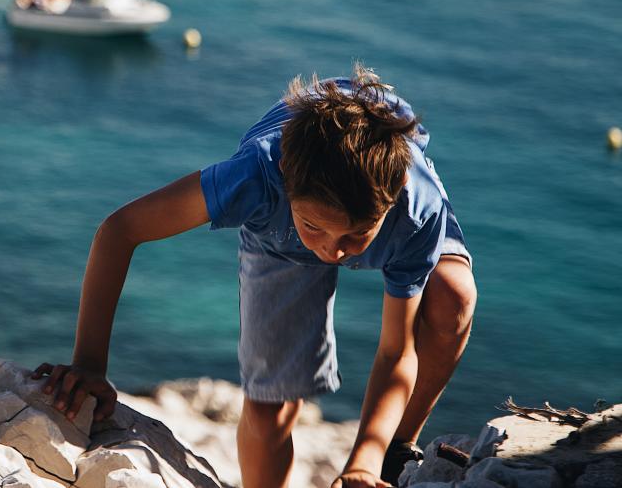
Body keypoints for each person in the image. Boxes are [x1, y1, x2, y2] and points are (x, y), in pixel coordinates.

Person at [33, 64, 477, 488]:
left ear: (396, 190)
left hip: (365, 213)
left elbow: (395, 352)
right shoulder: (256, 177)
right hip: (279, 241)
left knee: (453, 297)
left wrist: (366, 453)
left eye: (357, 236)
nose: (333, 251)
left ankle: (396, 449)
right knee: (271, 411)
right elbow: (120, 231)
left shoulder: (416, 210)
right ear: (286, 177)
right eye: (317, 227)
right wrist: (90, 364)